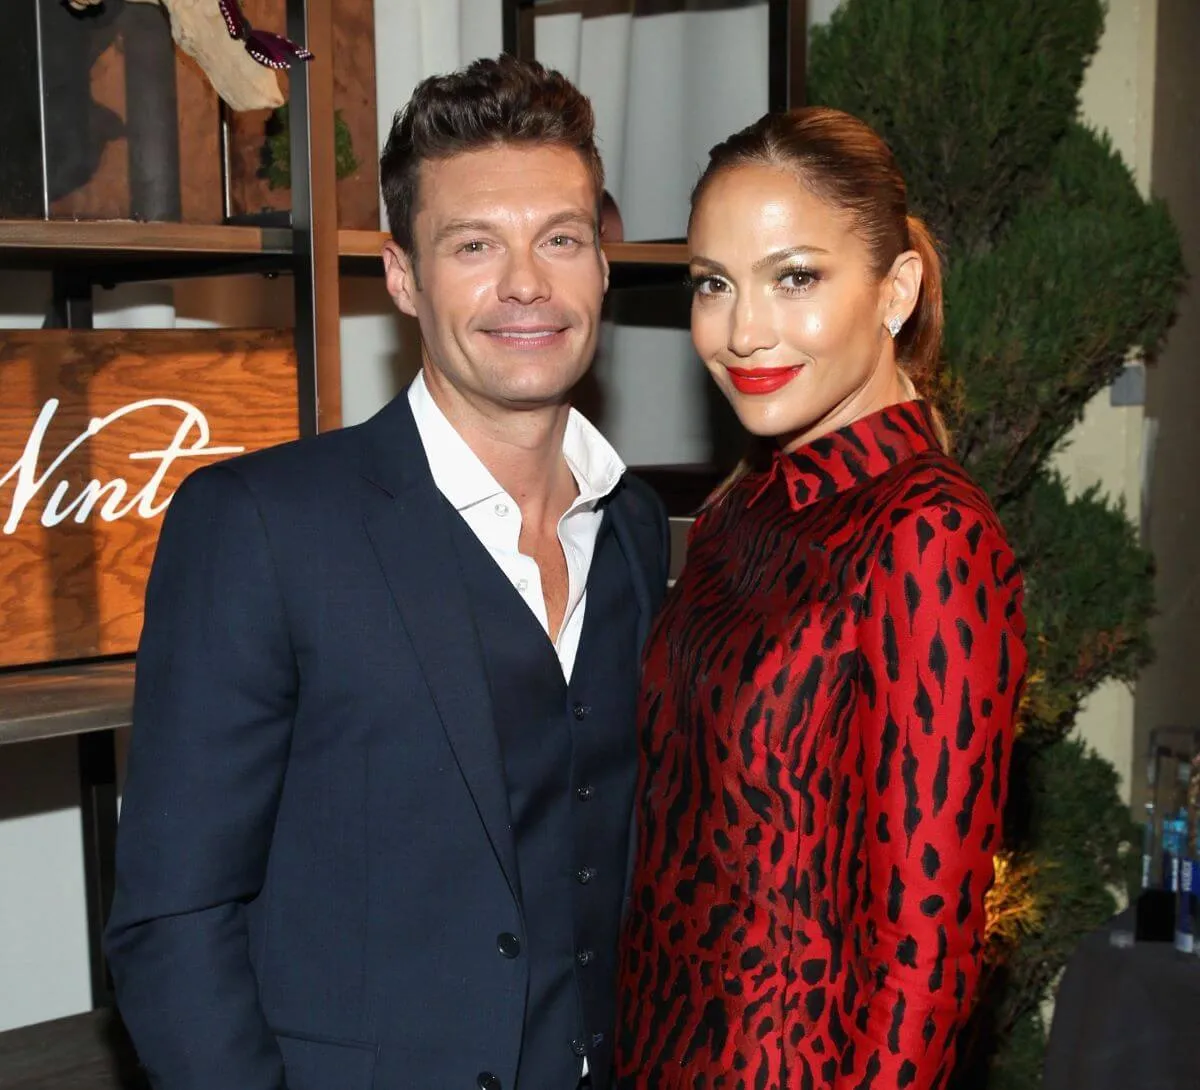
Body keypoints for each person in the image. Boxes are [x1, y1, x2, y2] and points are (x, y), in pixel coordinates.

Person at [105, 55, 669, 1090]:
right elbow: (173, 921)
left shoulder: (635, 527)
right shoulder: (261, 527)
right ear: (402, 273)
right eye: (473, 245)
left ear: (601, 261)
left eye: (561, 239)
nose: (526, 284)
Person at [616, 107, 1027, 1089]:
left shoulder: (928, 535)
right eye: (713, 284)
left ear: (896, 290)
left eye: (794, 277)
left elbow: (926, 955)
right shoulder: (741, 513)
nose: (743, 329)